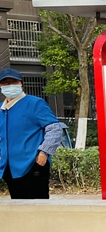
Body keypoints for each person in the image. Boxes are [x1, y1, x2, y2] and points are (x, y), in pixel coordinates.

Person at [0, 68, 61, 199]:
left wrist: (44, 152)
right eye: (5, 83)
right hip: (9, 168)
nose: (9, 85)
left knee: (37, 206)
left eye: (13, 82)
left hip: (34, 164)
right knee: (18, 206)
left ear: (21, 84)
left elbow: (54, 129)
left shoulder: (35, 103)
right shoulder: (1, 109)